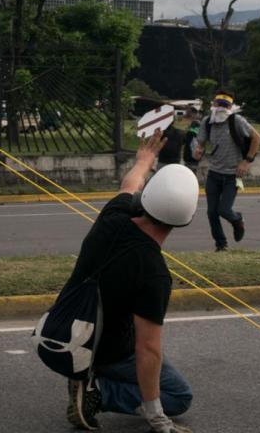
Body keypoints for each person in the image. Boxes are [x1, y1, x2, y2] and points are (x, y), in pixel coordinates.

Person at [63, 132, 196, 433]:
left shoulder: (114, 214)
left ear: (146, 198)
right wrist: (157, 417)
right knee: (179, 395)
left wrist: (144, 162)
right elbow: (148, 349)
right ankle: (99, 392)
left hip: (68, 328)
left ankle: (88, 375)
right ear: (184, 219)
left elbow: (129, 184)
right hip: (108, 352)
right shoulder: (154, 274)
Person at [192, 90, 260, 251]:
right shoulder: (206, 122)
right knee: (211, 212)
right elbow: (201, 143)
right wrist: (198, 150)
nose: (221, 108)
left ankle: (237, 220)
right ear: (213, 105)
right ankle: (221, 244)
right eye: (219, 104)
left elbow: (257, 137)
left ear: (230, 107)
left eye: (225, 105)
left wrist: (246, 161)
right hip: (214, 173)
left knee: (224, 209)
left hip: (233, 175)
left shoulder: (236, 121)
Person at [180, 107, 200, 172]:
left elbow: (193, 136)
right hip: (188, 157)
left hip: (192, 157)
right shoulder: (190, 124)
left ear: (193, 114)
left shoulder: (196, 124)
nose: (186, 115)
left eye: (188, 113)